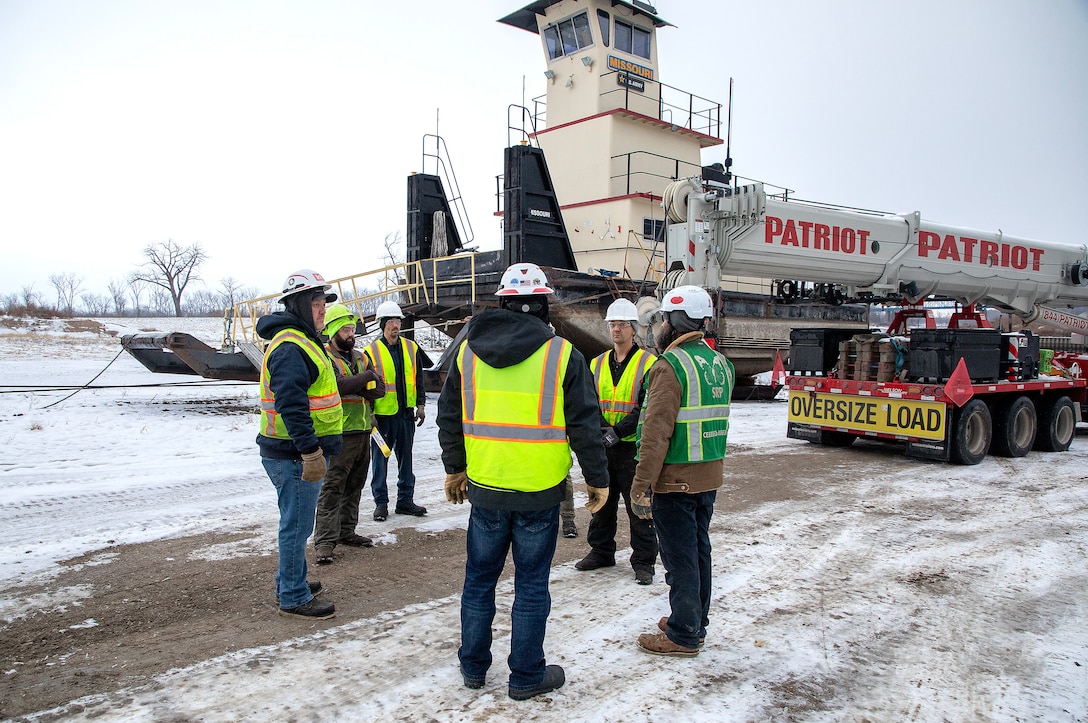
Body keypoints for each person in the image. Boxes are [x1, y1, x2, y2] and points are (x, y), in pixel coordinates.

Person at [437, 262, 610, 701]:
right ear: (541, 304)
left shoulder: (467, 352)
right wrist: (597, 480)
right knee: (531, 586)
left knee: (479, 580)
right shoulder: (562, 354)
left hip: (486, 489)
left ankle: (473, 667)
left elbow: (449, 415)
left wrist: (454, 467)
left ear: (504, 303)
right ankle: (526, 675)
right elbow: (586, 425)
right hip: (539, 492)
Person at [630, 285, 734, 656]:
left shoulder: (670, 366)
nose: (658, 327)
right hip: (709, 477)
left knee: (680, 560)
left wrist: (641, 483)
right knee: (698, 552)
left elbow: (656, 433)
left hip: (674, 481)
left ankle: (683, 633)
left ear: (675, 321)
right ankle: (694, 619)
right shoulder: (719, 364)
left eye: (662, 319)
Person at [255, 269, 342, 620]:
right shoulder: (292, 346)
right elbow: (291, 403)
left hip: (291, 451)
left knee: (295, 522)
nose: (322, 310)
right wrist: (310, 452)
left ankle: (289, 579)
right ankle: (292, 594)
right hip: (293, 454)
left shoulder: (300, 339)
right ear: (299, 305)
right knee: (297, 526)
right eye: (316, 303)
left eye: (323, 303)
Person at [575, 298, 658, 584]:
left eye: (622, 324)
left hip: (632, 448)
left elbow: (647, 406)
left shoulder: (649, 363)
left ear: (634, 328)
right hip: (603, 445)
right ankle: (601, 551)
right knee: (601, 501)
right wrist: (600, 429)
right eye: (613, 324)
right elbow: (588, 401)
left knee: (639, 505)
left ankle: (644, 562)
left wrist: (617, 431)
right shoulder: (596, 363)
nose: (616, 329)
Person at [312, 304, 386, 564]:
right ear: (332, 330)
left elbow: (380, 389)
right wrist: (364, 379)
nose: (350, 333)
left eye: (352, 329)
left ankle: (346, 531)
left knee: (355, 484)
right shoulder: (325, 357)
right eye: (345, 329)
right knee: (332, 487)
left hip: (363, 430)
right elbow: (338, 386)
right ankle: (324, 541)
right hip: (338, 433)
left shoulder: (362, 357)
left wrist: (363, 385)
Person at [364, 300, 428, 521]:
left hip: (405, 416)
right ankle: (381, 504)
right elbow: (366, 387)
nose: (395, 326)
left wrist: (421, 405)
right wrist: (369, 413)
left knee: (406, 460)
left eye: (398, 322)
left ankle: (405, 501)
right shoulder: (370, 352)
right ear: (382, 324)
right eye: (391, 322)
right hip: (381, 418)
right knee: (380, 461)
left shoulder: (411, 348)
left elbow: (419, 379)